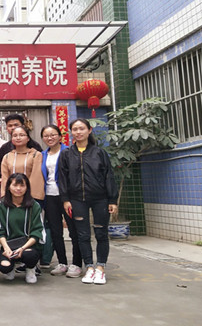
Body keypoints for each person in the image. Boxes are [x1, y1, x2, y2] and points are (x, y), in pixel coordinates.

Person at [59, 118, 118, 285]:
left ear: (89, 130)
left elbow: (108, 176)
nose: (78, 132)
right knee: (83, 235)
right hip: (77, 200)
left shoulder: (99, 153)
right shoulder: (66, 154)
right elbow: (62, 179)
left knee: (101, 233)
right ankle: (89, 267)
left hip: (100, 199)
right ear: (71, 132)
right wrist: (65, 199)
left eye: (82, 129)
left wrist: (112, 199)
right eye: (75, 129)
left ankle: (101, 268)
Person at [40, 124, 82, 278]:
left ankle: (76, 264)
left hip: (68, 197)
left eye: (53, 134)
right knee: (55, 231)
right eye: (46, 136)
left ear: (60, 136)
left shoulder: (69, 152)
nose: (49, 138)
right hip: (50, 196)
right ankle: (62, 262)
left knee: (74, 231)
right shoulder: (43, 154)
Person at [0, 173, 45, 284]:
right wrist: (6, 248)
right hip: (9, 245)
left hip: (28, 247)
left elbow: (37, 231)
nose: (18, 188)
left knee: (30, 255)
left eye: (22, 185)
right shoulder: (1, 206)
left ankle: (31, 269)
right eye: (15, 185)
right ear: (8, 187)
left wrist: (22, 248)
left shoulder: (34, 206)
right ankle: (10, 267)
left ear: (27, 188)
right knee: (4, 267)